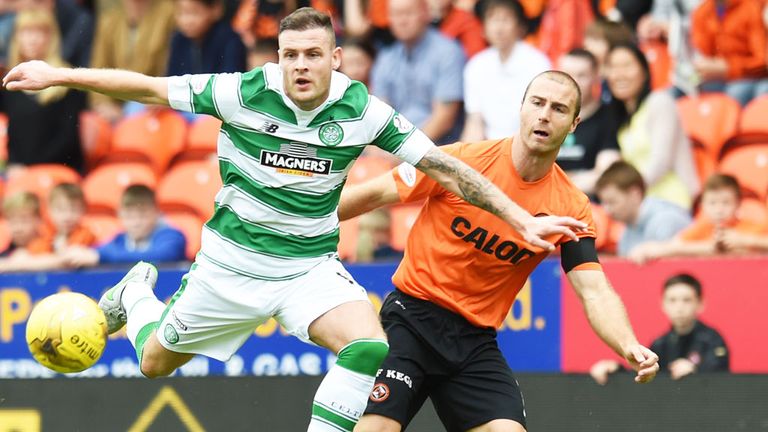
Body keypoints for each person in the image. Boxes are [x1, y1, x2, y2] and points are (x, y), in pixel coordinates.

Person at [3, 8, 585, 431]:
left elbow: (448, 169)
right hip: (228, 267)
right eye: (289, 55)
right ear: (276, 58)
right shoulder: (238, 93)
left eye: (313, 55)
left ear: (335, 58)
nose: (300, 66)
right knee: (154, 362)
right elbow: (149, 88)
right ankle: (137, 295)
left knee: (369, 347)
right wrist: (59, 75)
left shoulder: (363, 111)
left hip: (307, 267)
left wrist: (521, 219)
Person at [340, 71, 660, 432]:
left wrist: (628, 343)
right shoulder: (461, 160)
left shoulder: (570, 206)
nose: (544, 115)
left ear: (574, 124)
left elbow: (594, 290)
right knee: (378, 428)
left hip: (474, 341)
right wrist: (292, 220)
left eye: (558, 109)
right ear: (521, 109)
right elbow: (372, 194)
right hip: (411, 320)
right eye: (537, 103)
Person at [605, 43, 699, 209]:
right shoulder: (624, 118)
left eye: (627, 66)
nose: (619, 74)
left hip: (671, 202)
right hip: (639, 206)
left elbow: (660, 162)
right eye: (613, 67)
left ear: (644, 72)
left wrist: (625, 195)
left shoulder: (660, 102)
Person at [591, 273, 729, 384]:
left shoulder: (712, 340)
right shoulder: (661, 344)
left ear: (700, 303)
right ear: (663, 304)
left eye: (687, 300)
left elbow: (722, 378)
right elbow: (645, 375)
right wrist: (616, 370)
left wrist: (695, 371)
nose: (679, 307)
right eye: (672, 300)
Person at [0, 8, 86, 172]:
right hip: (19, 172)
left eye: (39, 32)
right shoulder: (10, 81)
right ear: (16, 38)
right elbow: (14, 136)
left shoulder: (66, 78)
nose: (32, 39)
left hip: (59, 170)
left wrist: (31, 168)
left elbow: (68, 138)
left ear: (51, 37)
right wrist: (14, 165)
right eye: (25, 32)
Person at [370, 0, 466, 145]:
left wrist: (406, 149)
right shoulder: (386, 57)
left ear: (426, 13)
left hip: (438, 149)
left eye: (408, 13)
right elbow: (379, 113)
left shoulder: (448, 52)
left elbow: (444, 118)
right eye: (396, 14)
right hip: (393, 146)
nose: (402, 21)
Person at [461, 0, 551, 142]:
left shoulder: (538, 63)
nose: (499, 27)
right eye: (492, 19)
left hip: (528, 143)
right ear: (483, 28)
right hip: (488, 148)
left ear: (520, 27)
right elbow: (475, 121)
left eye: (505, 19)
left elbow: (541, 117)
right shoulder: (476, 66)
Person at [630, 173, 768, 263]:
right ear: (703, 205)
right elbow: (674, 245)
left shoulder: (751, 228)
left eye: (726, 203)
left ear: (738, 204)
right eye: (713, 203)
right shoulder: (701, 228)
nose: (719, 209)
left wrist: (745, 240)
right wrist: (648, 248)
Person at [64, 184, 187, 265]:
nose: (136, 222)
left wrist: (100, 257)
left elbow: (162, 256)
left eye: (143, 215)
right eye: (129, 216)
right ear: (120, 215)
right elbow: (96, 252)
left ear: (156, 213)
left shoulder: (172, 236)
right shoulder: (120, 239)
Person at [556, 48, 620, 196]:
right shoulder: (547, 115)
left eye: (582, 75)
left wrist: (556, 185)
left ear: (596, 76)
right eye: (567, 75)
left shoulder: (609, 116)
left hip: (589, 203)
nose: (574, 81)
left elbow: (605, 175)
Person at [595, 161, 691, 258]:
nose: (607, 210)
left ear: (635, 194)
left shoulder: (665, 220)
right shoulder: (627, 230)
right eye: (604, 203)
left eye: (612, 202)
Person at [690, 0, 768, 106]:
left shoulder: (751, 7)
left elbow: (763, 61)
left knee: (737, 93)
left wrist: (729, 68)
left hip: (749, 77)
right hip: (716, 78)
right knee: (687, 88)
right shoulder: (703, 11)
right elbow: (702, 52)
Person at [166, 0, 246, 76]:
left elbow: (230, 81)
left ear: (216, 9)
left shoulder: (230, 41)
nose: (186, 21)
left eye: (194, 13)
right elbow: (171, 80)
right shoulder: (179, 40)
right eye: (181, 12)